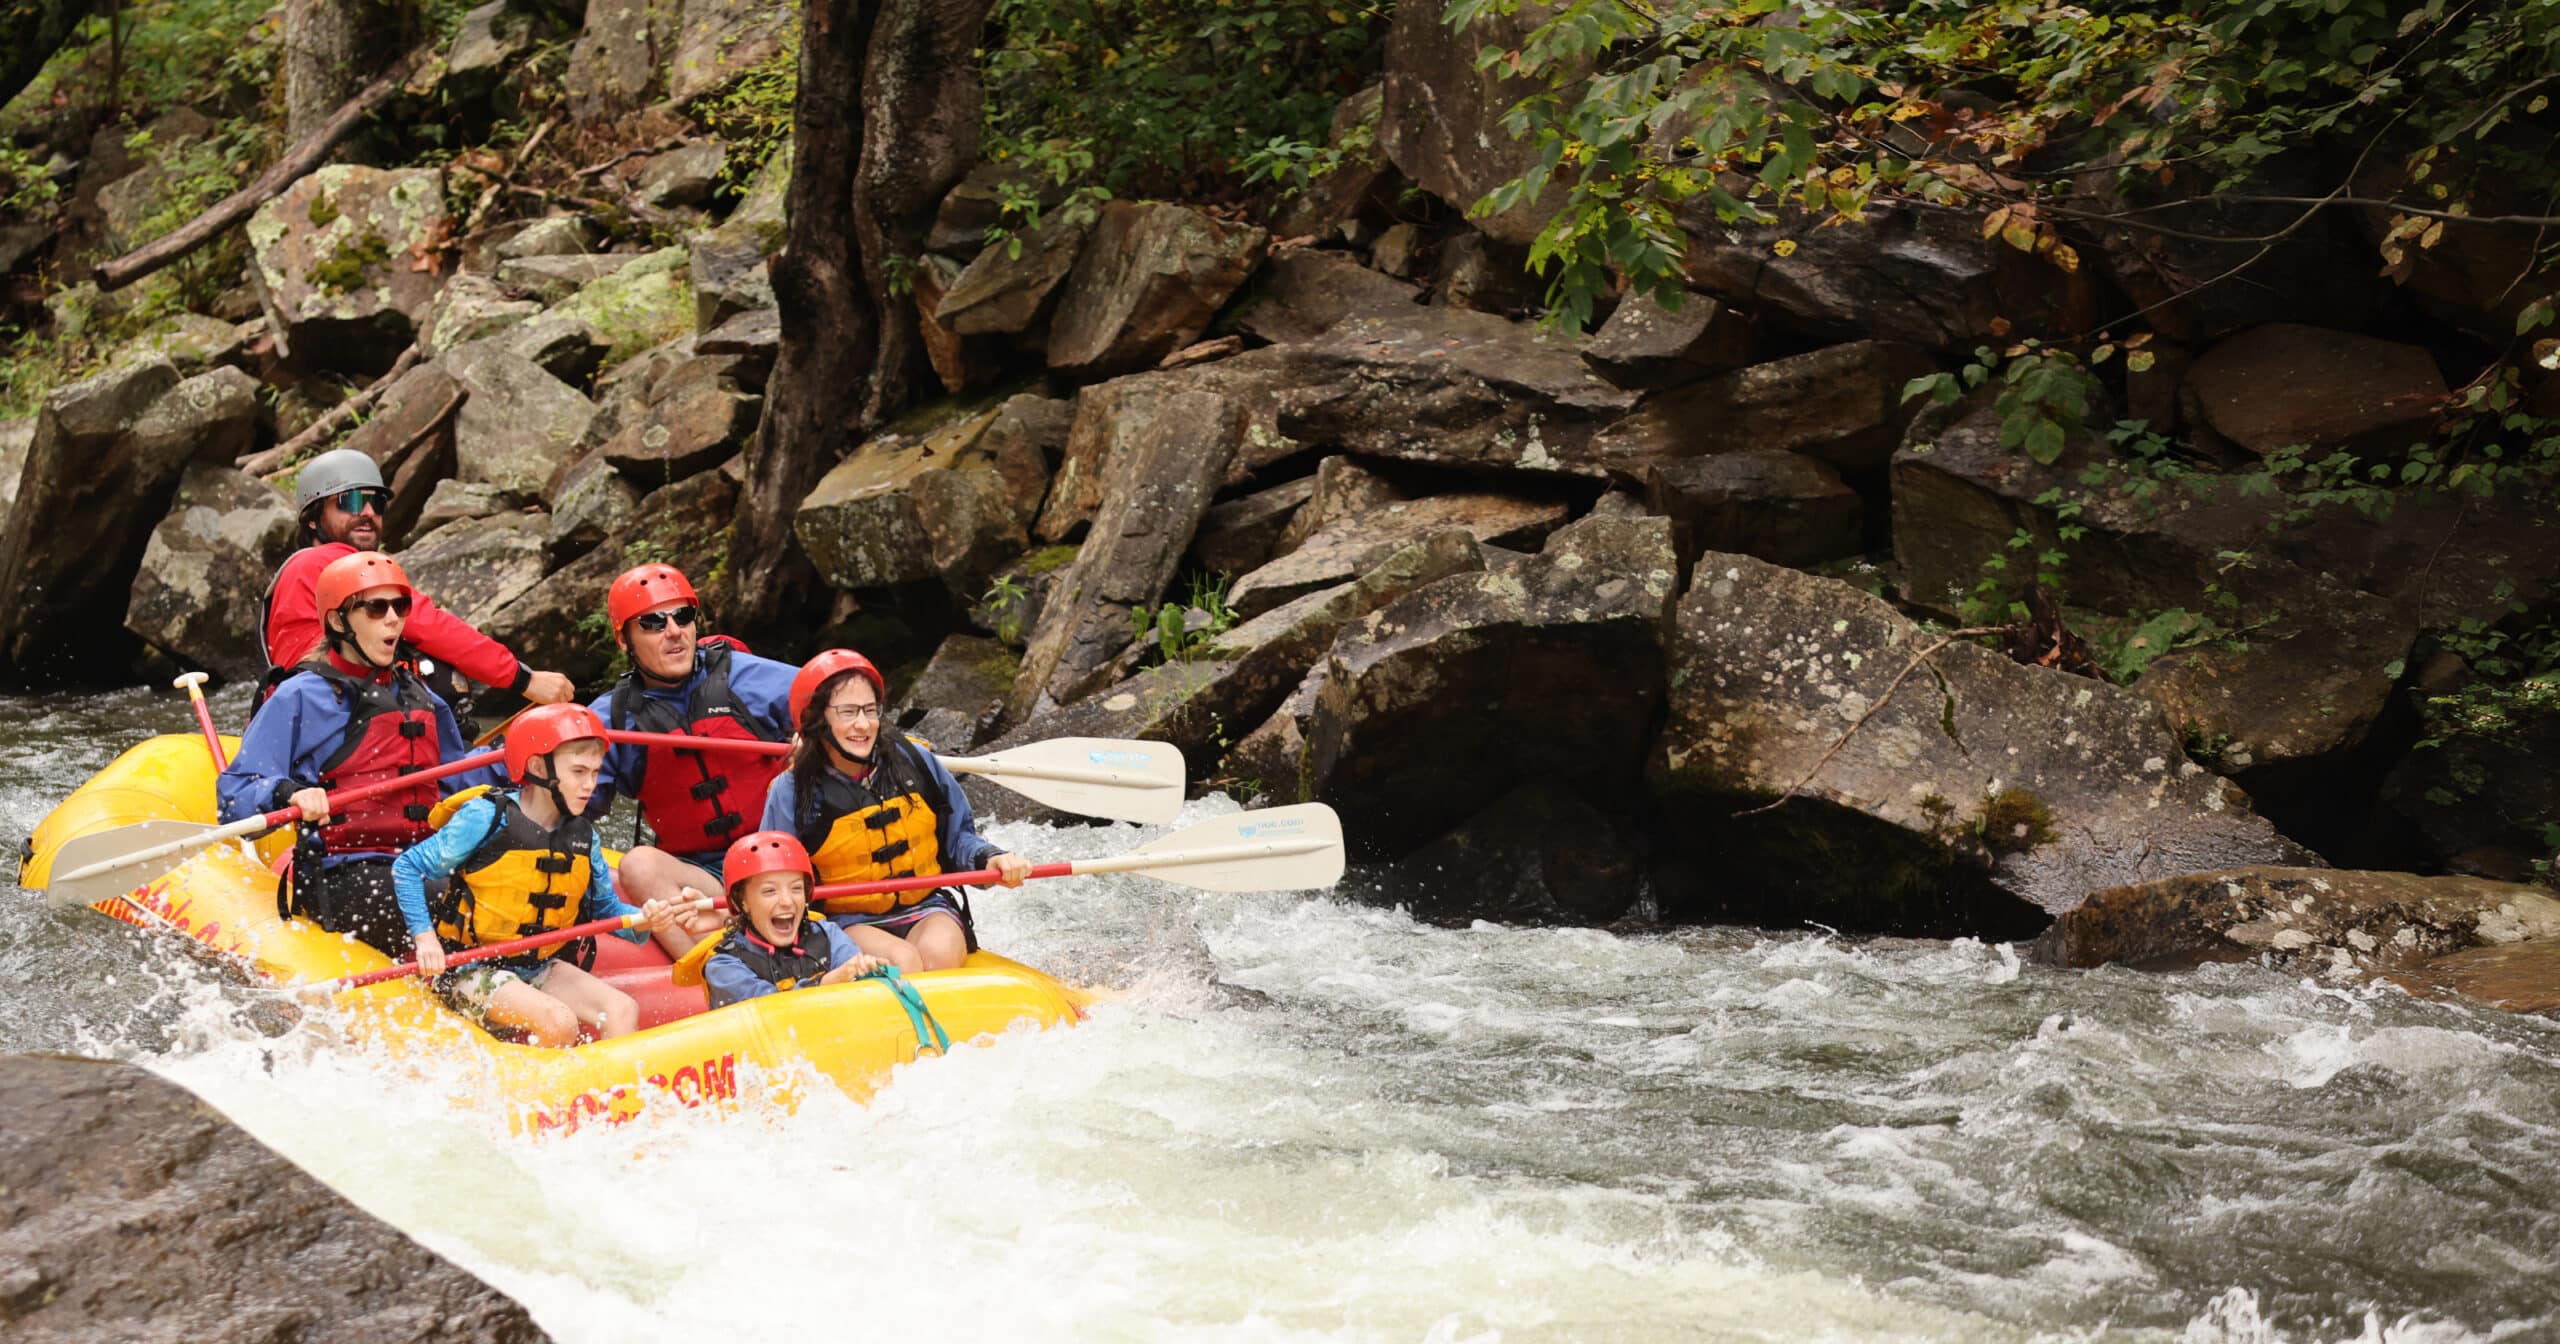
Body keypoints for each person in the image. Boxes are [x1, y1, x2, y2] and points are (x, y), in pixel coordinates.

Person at [218, 551, 494, 955]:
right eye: (375, 607)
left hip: (422, 862)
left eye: (400, 606)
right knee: (457, 907)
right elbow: (234, 796)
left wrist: (520, 767)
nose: (393, 619)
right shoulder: (299, 697)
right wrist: (288, 793)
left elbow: (457, 779)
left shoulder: (422, 697)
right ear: (337, 620)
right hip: (345, 874)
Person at [391, 703, 699, 1046]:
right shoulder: (485, 818)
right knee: (560, 1022)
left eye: (596, 773)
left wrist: (646, 918)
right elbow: (407, 867)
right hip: (469, 968)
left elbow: (606, 911)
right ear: (538, 767)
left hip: (539, 966)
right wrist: (424, 938)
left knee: (622, 1008)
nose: (590, 785)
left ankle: (612, 1097)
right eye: (579, 772)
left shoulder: (584, 837)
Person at [762, 649, 1030, 974]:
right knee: (904, 961)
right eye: (848, 712)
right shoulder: (792, 790)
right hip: (845, 920)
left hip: (925, 907)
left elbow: (958, 838)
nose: (863, 724)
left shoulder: (917, 761)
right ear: (818, 720)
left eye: (870, 710)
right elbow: (773, 876)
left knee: (939, 956)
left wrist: (991, 859)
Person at [260, 447, 575, 707]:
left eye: (377, 503)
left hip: (331, 708)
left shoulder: (310, 568)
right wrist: (524, 679)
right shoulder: (326, 564)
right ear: (313, 520)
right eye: (352, 501)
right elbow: (430, 626)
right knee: (438, 675)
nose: (368, 512)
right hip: (328, 716)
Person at [586, 563, 796, 932]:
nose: (674, 632)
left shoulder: (744, 677)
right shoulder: (612, 717)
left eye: (683, 617)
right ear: (624, 640)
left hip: (789, 859)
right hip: (705, 876)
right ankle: (715, 973)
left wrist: (812, 736)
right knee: (638, 864)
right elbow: (562, 800)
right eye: (653, 623)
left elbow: (835, 698)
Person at [676, 831, 885, 1010]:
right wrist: (825, 984)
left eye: (796, 888)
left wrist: (868, 972)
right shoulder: (723, 964)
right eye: (769, 891)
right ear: (742, 902)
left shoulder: (828, 934)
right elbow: (768, 1013)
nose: (786, 901)